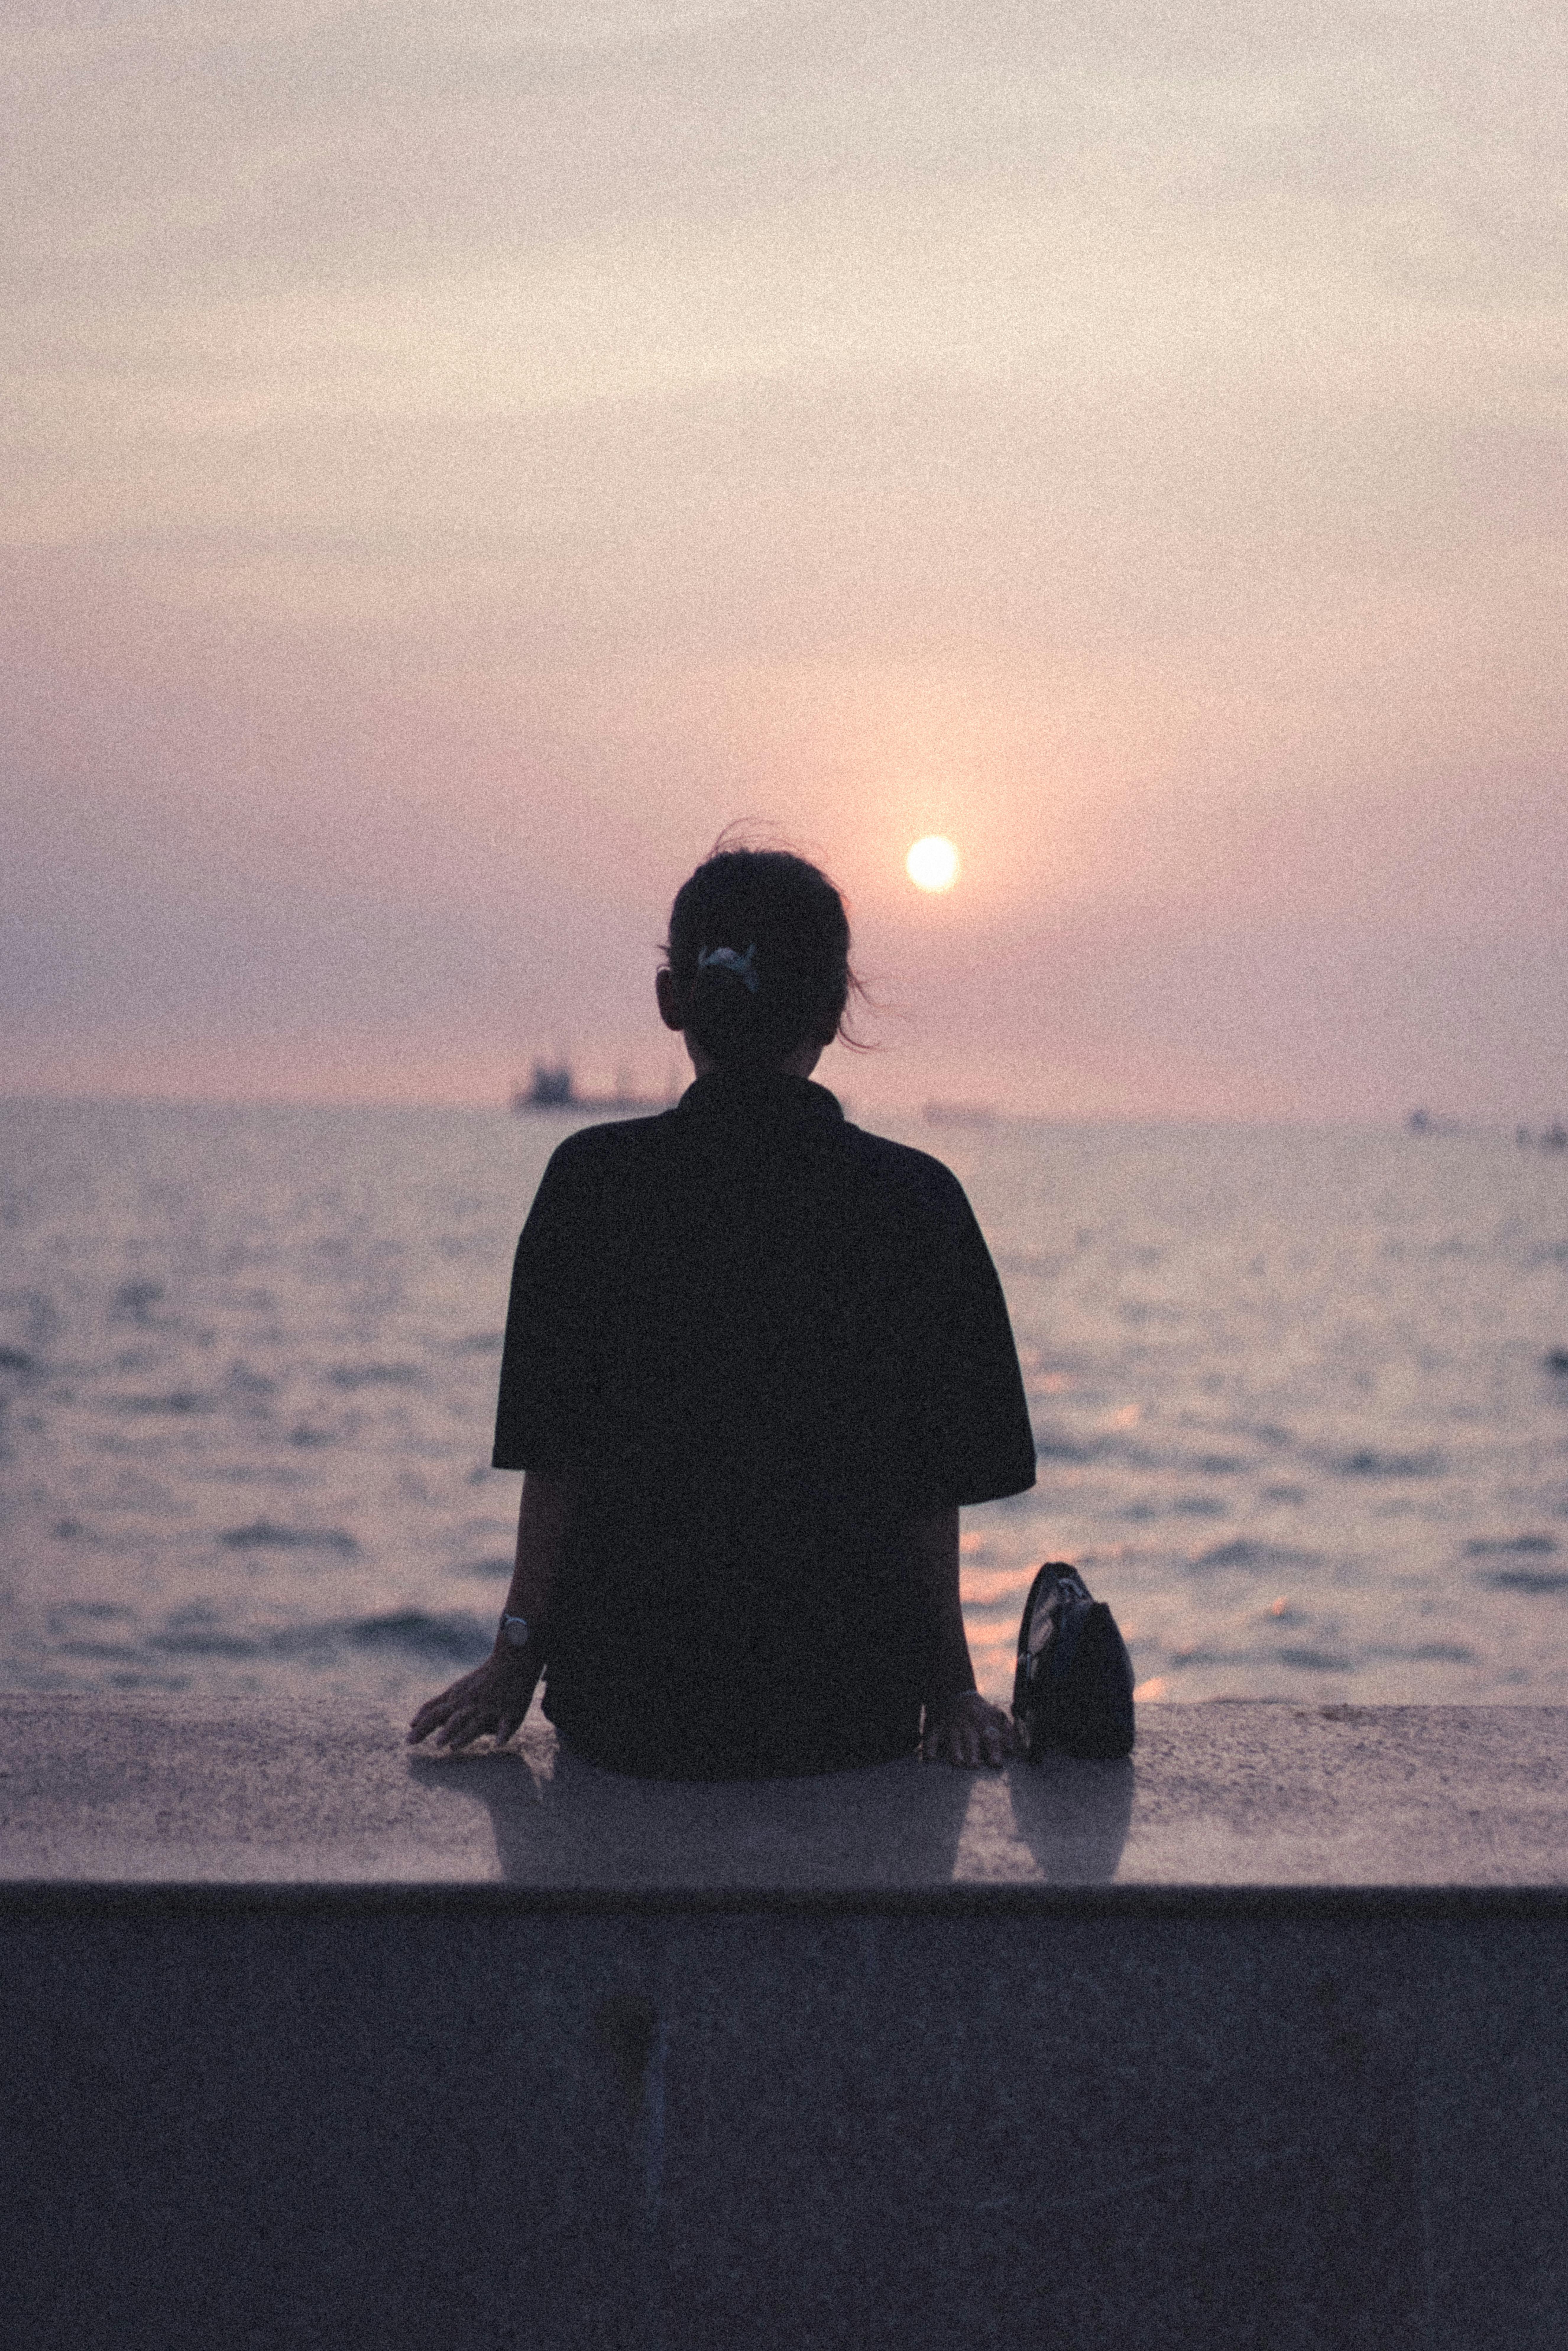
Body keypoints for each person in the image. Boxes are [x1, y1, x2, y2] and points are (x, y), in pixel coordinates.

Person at [408, 843, 1037, 1776]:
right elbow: (927, 1481)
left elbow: (559, 1459)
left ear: (673, 1001)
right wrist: (951, 1690)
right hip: (845, 1716)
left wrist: (514, 1661)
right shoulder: (917, 1201)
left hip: (629, 1715)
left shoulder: (591, 1187)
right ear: (834, 1010)